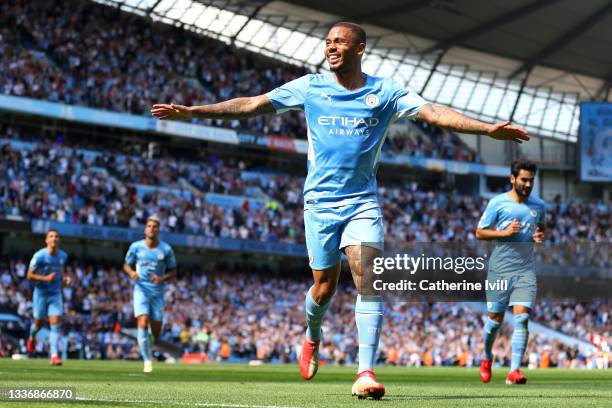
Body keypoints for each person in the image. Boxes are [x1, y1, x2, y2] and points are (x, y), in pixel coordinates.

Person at [151, 21, 529, 399]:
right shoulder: (311, 86)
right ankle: (312, 335)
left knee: (368, 277)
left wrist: (485, 129)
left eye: (339, 42)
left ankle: (365, 372)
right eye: (327, 42)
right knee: (324, 287)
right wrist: (195, 111)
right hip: (319, 204)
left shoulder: (384, 92)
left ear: (360, 48)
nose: (331, 47)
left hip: (363, 203)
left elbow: (432, 113)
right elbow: (252, 105)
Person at [476, 159, 545, 385]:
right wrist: (504, 233)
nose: (527, 184)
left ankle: (514, 370)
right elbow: (479, 232)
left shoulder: (539, 206)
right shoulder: (497, 203)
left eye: (531, 180)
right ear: (513, 179)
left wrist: (538, 236)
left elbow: (541, 227)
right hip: (499, 269)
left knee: (523, 318)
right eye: (524, 179)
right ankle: (487, 358)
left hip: (525, 270)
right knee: (495, 320)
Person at [123, 216, 177, 373]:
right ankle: (147, 360)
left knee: (156, 330)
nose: (151, 228)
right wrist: (132, 272)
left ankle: (150, 342)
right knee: (142, 321)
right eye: (149, 226)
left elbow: (173, 271)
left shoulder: (166, 249)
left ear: (158, 230)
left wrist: (162, 278)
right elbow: (126, 265)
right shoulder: (136, 247)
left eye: (155, 226)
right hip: (141, 289)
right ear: (145, 229)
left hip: (158, 293)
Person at [26, 229, 71, 365]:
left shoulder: (63, 256)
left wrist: (66, 279)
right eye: (51, 236)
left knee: (55, 324)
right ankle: (32, 336)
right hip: (40, 293)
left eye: (56, 236)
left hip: (55, 294)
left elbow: (61, 273)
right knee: (38, 324)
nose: (54, 239)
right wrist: (45, 278)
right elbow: (29, 275)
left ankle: (54, 355)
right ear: (46, 240)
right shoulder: (39, 256)